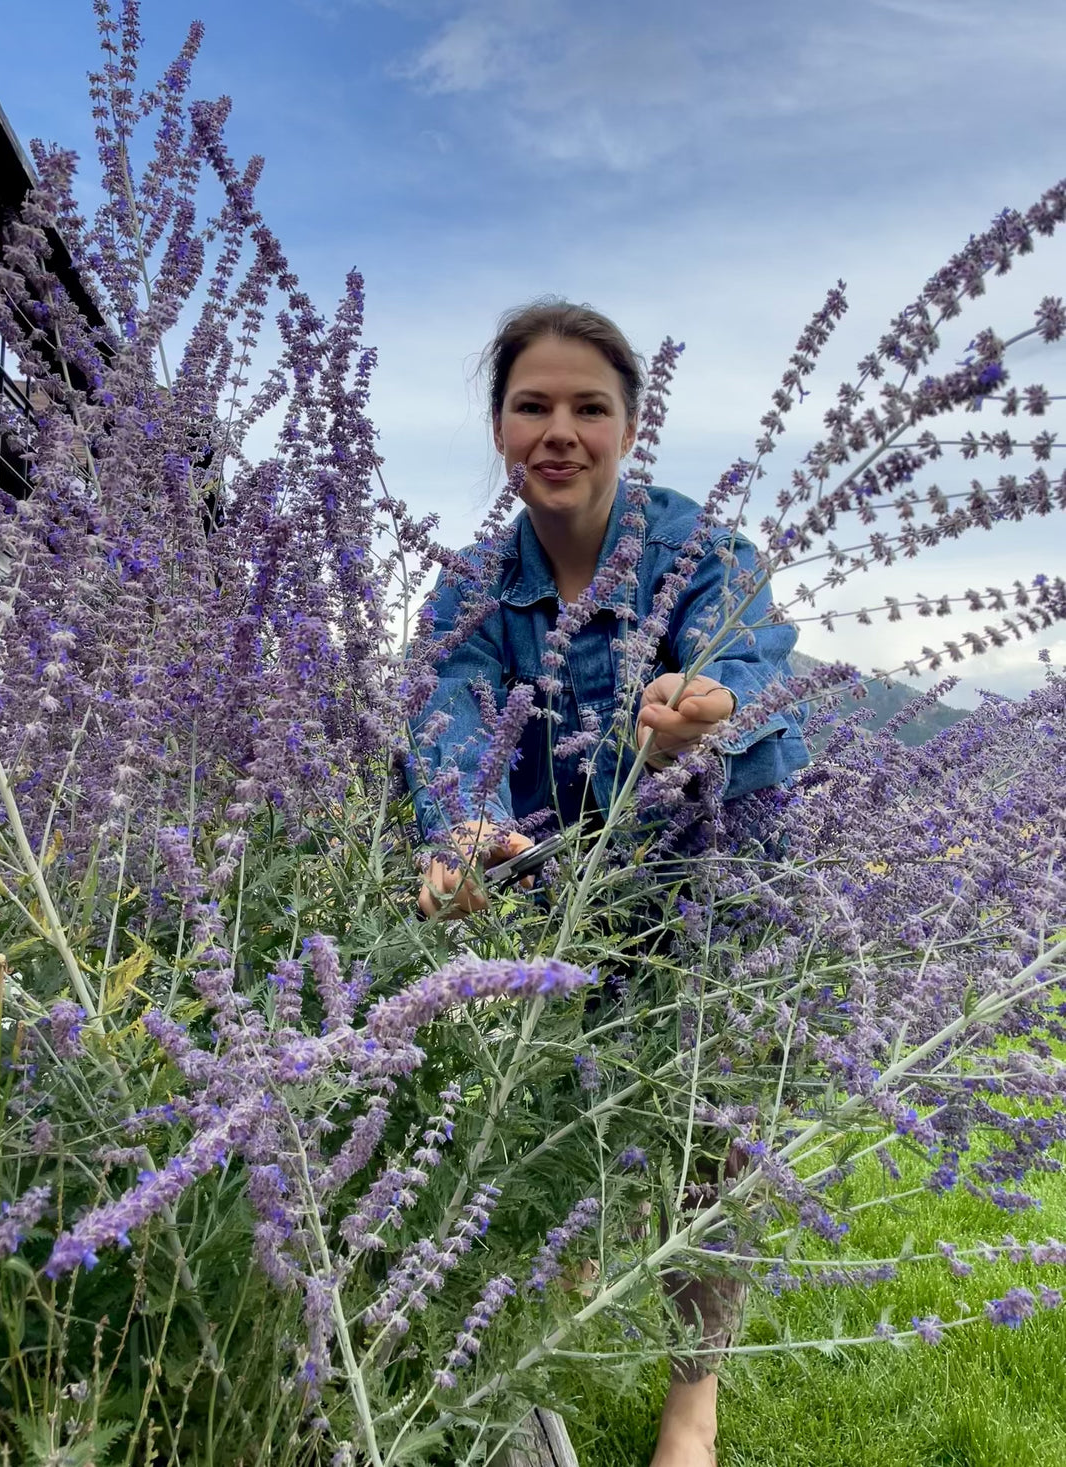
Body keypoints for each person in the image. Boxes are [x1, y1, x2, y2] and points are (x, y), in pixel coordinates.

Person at [408, 300, 809, 1467]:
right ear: (498, 429)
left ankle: (693, 1395)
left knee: (704, 1118)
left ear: (628, 427)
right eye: (532, 405)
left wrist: (708, 705)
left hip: (714, 849)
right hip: (563, 866)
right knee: (556, 1080)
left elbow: (746, 644)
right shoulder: (474, 581)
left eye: (589, 407)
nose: (559, 430)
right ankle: (567, 1275)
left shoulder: (695, 545)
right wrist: (459, 829)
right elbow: (446, 708)